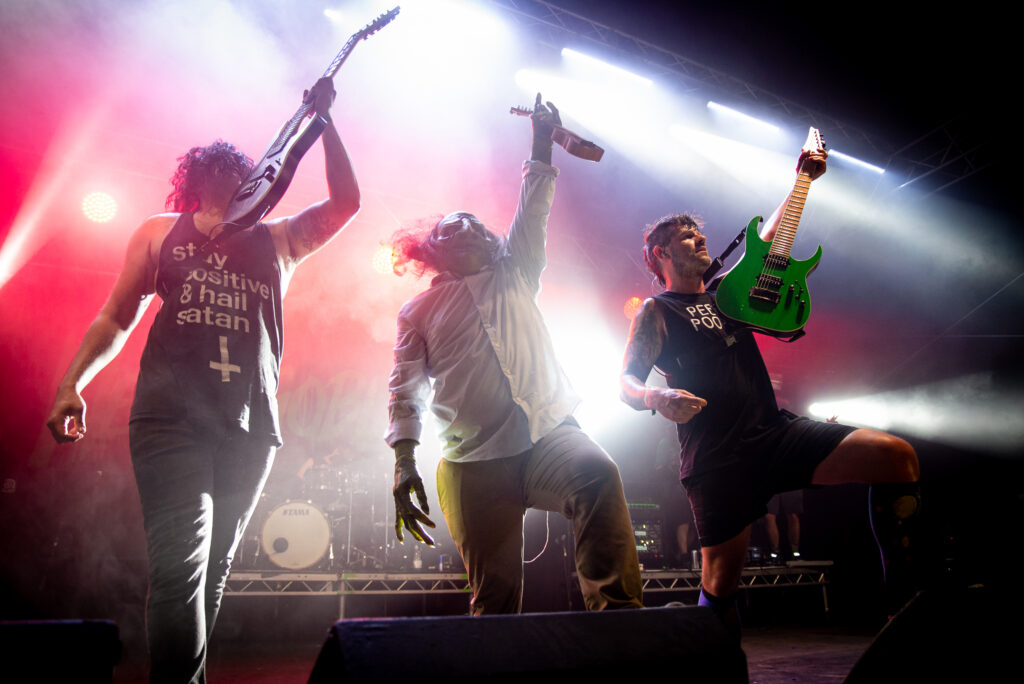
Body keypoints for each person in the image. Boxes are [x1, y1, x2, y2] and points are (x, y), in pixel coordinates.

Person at [45, 78, 359, 683]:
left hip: (252, 423)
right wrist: (70, 382)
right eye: (212, 172)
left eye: (236, 170)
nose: (225, 177)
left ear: (255, 177)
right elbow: (115, 315)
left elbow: (346, 203)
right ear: (193, 182)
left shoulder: (277, 237)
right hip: (170, 418)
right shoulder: (160, 232)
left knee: (211, 573)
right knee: (181, 567)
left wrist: (324, 122)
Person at [619, 147, 920, 638]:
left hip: (773, 432)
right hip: (718, 458)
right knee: (720, 584)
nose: (699, 239)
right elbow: (625, 382)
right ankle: (718, 666)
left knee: (897, 457)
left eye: (699, 234)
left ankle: (904, 614)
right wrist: (657, 398)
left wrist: (802, 179)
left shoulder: (729, 294)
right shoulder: (657, 310)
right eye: (685, 237)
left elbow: (770, 242)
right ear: (660, 254)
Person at [387, 96, 642, 615]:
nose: (472, 227)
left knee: (597, 474)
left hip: (548, 434)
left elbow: (533, 208)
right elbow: (404, 390)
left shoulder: (516, 270)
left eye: (477, 221)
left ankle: (619, 625)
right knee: (496, 598)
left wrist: (542, 140)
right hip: (471, 461)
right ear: (434, 248)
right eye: (454, 226)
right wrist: (403, 461)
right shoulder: (417, 310)